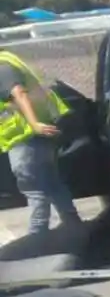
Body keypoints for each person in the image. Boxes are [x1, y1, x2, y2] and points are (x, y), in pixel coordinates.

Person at [0, 47, 81, 233]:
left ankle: (38, 232)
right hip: (38, 132)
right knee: (51, 182)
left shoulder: (2, 68)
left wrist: (34, 123)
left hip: (26, 136)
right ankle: (72, 222)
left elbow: (19, 94)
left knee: (33, 186)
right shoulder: (9, 61)